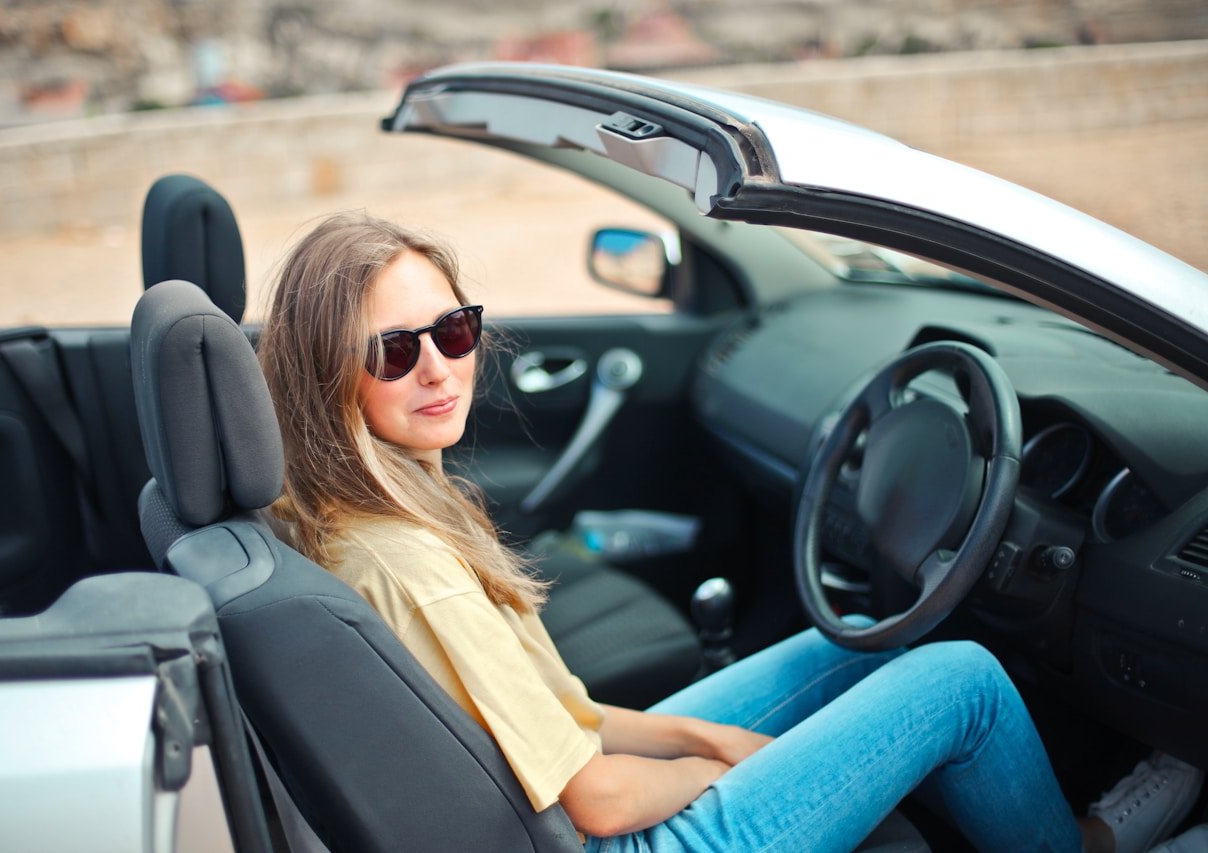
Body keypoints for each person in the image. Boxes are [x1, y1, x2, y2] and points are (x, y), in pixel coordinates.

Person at [256, 212, 1203, 853]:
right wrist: (738, 757)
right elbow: (597, 797)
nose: (438, 369)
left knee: (878, 646)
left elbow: (566, 717)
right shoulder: (412, 562)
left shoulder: (363, 517)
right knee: (960, 679)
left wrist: (695, 731)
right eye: (393, 351)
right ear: (322, 376)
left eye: (453, 331)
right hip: (633, 840)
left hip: (572, 809)